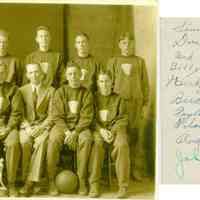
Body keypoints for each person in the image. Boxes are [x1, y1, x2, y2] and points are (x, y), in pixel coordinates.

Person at [107, 32, 150, 181]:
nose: (127, 46)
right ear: (119, 45)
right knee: (121, 136)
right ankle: (119, 170)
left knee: (137, 135)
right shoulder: (113, 61)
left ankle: (136, 170)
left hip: (136, 105)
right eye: (124, 43)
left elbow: (145, 85)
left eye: (130, 43)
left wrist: (145, 105)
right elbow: (109, 84)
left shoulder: (140, 62)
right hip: (119, 105)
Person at [47, 62, 93, 196]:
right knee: (54, 139)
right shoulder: (60, 91)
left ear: (81, 75)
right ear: (66, 76)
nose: (73, 77)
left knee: (86, 139)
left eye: (76, 74)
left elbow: (87, 117)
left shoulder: (86, 93)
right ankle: (51, 180)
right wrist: (68, 132)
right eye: (70, 74)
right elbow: (57, 115)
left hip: (80, 127)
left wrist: (76, 132)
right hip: (62, 126)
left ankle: (82, 180)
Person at [88, 71, 130, 198]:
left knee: (122, 145)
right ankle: (94, 184)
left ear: (112, 83)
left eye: (106, 81)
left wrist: (112, 131)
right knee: (97, 144)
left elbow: (123, 119)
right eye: (101, 81)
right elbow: (90, 118)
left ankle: (123, 187)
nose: (104, 84)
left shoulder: (119, 98)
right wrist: (101, 130)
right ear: (97, 83)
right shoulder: (92, 98)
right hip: (98, 130)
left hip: (117, 131)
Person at [19, 63, 55, 196]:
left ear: (42, 74)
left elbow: (52, 115)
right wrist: (27, 127)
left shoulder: (51, 91)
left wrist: (40, 128)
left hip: (43, 126)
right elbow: (19, 113)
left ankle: (28, 182)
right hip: (26, 127)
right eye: (31, 72)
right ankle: (28, 178)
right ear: (27, 75)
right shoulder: (21, 90)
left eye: (37, 72)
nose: (34, 75)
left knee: (41, 142)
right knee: (25, 142)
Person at [0, 63, 22, 197]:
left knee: (13, 144)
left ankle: (12, 183)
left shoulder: (13, 89)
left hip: (9, 126)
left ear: (5, 73)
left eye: (2, 72)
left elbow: (17, 113)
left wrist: (7, 129)